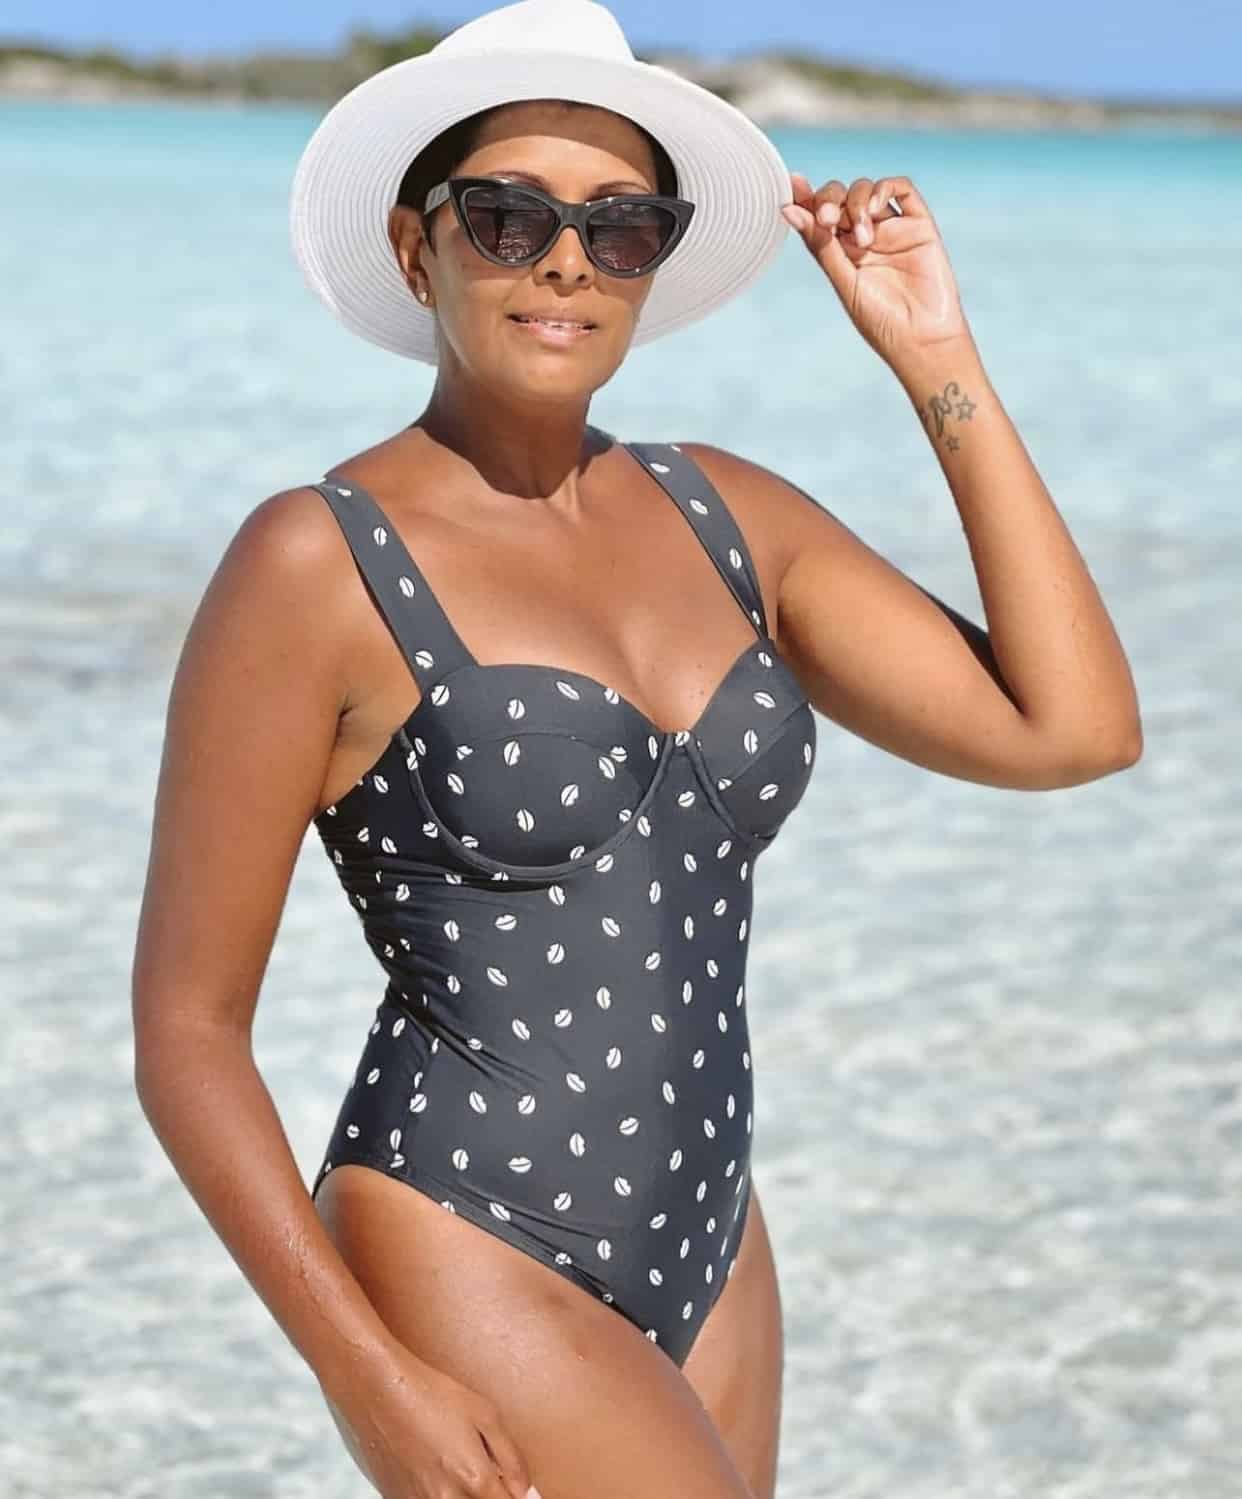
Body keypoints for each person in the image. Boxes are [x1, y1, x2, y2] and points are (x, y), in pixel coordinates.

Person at [130, 2, 1142, 1496]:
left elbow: (1073, 730)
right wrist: (365, 1371)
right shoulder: (315, 560)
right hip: (463, 1232)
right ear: (416, 248)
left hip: (715, 1233)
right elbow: (187, 1030)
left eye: (619, 228)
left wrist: (934, 356)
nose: (565, 261)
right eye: (508, 216)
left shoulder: (730, 518)